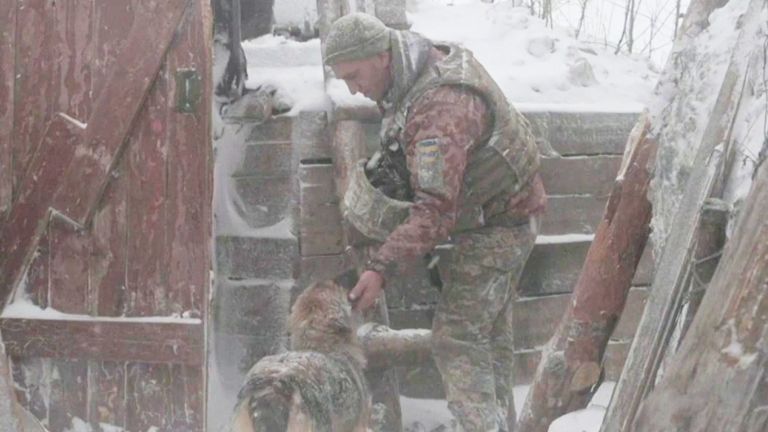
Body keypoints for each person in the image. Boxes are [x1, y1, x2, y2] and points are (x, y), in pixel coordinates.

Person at [323, 12, 546, 432]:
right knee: (488, 336)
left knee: (457, 338)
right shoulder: (417, 65)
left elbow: (435, 211)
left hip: (500, 224)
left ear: (382, 56)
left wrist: (381, 269)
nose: (354, 88)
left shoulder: (440, 109)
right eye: (343, 79)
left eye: (355, 74)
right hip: (499, 211)